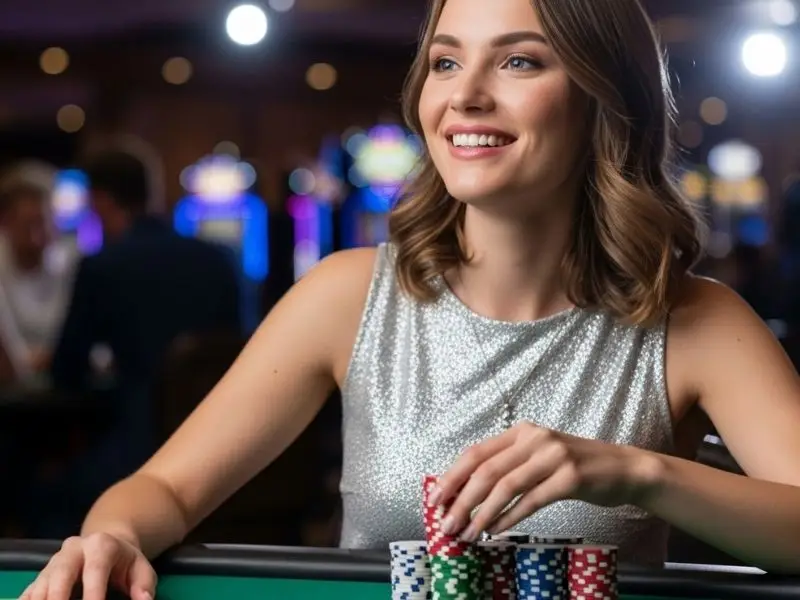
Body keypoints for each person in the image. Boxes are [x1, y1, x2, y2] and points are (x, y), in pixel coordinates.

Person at [22, 0, 800, 597]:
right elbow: (163, 489)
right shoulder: (346, 295)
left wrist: (639, 474)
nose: (465, 96)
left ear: (606, 98)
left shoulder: (695, 321)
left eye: (519, 62)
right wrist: (115, 536)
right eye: (445, 62)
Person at [0, 161, 76, 381]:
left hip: (64, 385)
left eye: (42, 222)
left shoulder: (73, 265)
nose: (36, 237)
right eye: (28, 225)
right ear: (5, 222)